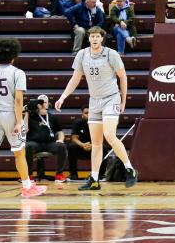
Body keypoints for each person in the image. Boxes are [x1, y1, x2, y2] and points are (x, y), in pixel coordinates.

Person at [54, 26, 137, 190]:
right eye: (92, 36)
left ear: (102, 38)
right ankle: (94, 179)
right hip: (95, 101)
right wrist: (63, 97)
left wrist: (123, 101)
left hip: (111, 98)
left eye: (97, 36)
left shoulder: (111, 54)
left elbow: (123, 76)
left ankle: (130, 169)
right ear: (89, 38)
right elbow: (75, 79)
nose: (94, 39)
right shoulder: (82, 54)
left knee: (109, 135)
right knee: (97, 143)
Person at [0, 37, 47, 199]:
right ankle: (27, 187)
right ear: (14, 55)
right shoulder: (17, 73)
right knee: (19, 153)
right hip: (10, 114)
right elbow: (18, 101)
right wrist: (17, 121)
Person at [24, 94, 68, 183]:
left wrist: (61, 139)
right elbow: (25, 130)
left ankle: (59, 174)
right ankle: (29, 175)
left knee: (62, 146)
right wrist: (27, 112)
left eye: (45, 102)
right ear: (37, 104)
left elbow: (60, 132)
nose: (43, 104)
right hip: (35, 143)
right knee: (27, 146)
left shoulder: (52, 117)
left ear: (48, 104)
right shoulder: (31, 116)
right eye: (40, 102)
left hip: (49, 143)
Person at [66, 107, 93, 180]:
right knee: (71, 147)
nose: (88, 114)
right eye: (86, 113)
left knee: (104, 148)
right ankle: (73, 174)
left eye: (90, 113)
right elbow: (74, 138)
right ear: (82, 114)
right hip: (80, 148)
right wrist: (83, 145)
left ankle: (100, 174)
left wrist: (92, 146)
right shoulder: (77, 123)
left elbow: (100, 139)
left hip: (93, 148)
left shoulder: (96, 123)